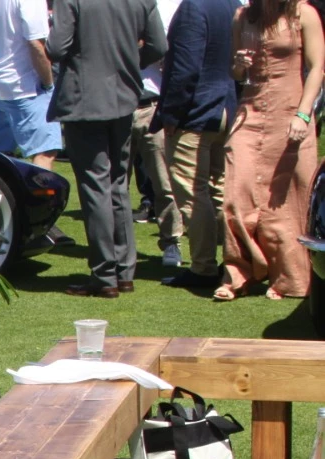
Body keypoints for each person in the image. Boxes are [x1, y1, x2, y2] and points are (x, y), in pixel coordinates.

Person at [48, 0, 168, 298]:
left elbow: (56, 47)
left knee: (96, 186)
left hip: (85, 101)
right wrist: (127, 60)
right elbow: (159, 45)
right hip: (124, 97)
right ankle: (124, 272)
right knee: (117, 185)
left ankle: (104, 274)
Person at [217, 0, 324, 300]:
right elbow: (236, 73)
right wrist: (240, 64)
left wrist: (304, 114)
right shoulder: (243, 16)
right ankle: (239, 273)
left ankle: (289, 278)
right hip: (250, 114)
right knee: (236, 193)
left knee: (289, 200)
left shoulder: (305, 14)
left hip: (290, 112)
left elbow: (317, 69)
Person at [155, 0, 242, 288]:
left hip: (196, 111)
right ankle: (231, 262)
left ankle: (203, 267)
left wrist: (171, 114)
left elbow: (185, 67)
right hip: (226, 106)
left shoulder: (194, 7)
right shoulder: (232, 4)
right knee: (217, 189)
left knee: (193, 192)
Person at [0, 0, 62, 169]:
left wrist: (1, 36)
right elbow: (35, 44)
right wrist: (49, 83)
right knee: (45, 152)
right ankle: (38, 196)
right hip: (24, 85)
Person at [134, 0, 187, 269]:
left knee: (164, 182)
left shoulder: (171, 6)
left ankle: (171, 241)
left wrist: (138, 51)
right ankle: (118, 248)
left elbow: (166, 48)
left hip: (152, 104)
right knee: (111, 185)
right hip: (114, 103)